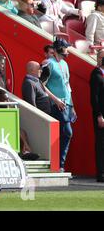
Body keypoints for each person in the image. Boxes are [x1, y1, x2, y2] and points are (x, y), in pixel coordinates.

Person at [44, 38, 76, 172]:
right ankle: (59, 164)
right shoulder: (48, 64)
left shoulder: (65, 64)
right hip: (56, 104)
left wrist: (72, 105)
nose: (67, 51)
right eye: (65, 48)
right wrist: (55, 99)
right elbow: (41, 84)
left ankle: (59, 164)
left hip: (66, 104)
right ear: (59, 49)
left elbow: (67, 85)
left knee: (66, 133)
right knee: (67, 132)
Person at [0, 88, 39, 160]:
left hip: (6, 133)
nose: (8, 102)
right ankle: (24, 152)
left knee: (21, 131)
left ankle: (26, 152)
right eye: (5, 100)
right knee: (17, 132)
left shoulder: (7, 112)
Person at [90, 49, 104, 182]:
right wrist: (99, 115)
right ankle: (101, 174)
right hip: (101, 115)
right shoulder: (96, 74)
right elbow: (94, 97)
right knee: (101, 144)